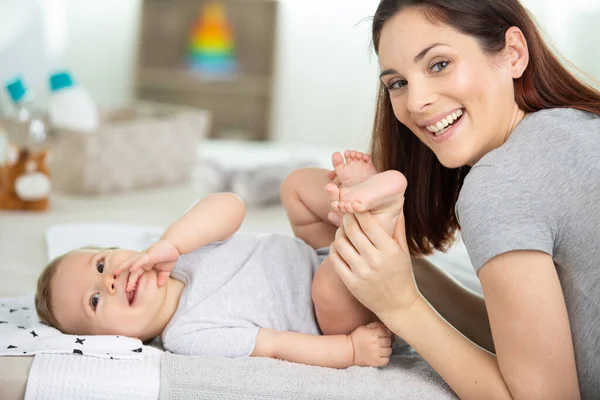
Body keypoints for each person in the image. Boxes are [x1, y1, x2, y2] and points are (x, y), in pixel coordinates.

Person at [312, 0, 600, 399]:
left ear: (513, 53)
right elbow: (544, 336)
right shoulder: (582, 126)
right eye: (397, 83)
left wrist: (403, 306)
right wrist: (410, 278)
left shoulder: (500, 183)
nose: (415, 103)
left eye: (439, 64)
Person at [34, 153, 408, 369]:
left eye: (101, 265)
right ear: (111, 341)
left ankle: (358, 208)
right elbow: (275, 344)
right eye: (95, 301)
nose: (109, 282)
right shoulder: (186, 336)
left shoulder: (175, 247)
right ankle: (371, 216)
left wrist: (173, 243)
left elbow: (231, 206)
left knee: (295, 186)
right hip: (333, 313)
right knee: (328, 286)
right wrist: (350, 351)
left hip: (315, 256)